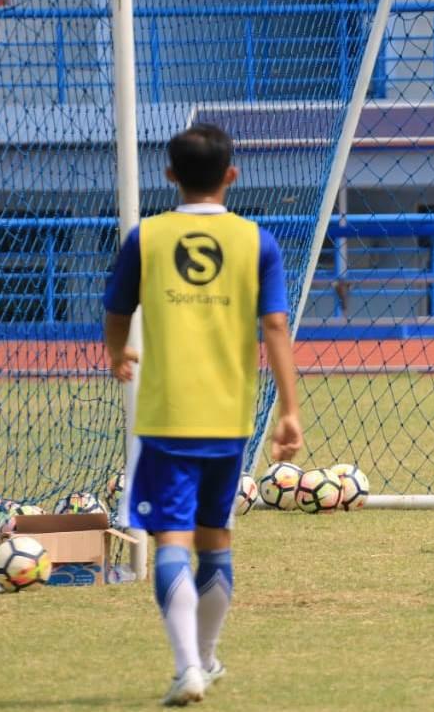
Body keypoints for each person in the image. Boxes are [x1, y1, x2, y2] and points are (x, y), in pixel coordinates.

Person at [103, 123, 304, 705]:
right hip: (229, 416)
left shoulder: (147, 237)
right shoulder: (256, 241)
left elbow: (117, 310)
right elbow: (274, 327)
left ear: (169, 176)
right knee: (215, 540)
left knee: (170, 539)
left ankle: (187, 667)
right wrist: (289, 409)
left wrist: (119, 353)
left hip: (167, 416)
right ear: (231, 175)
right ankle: (208, 658)